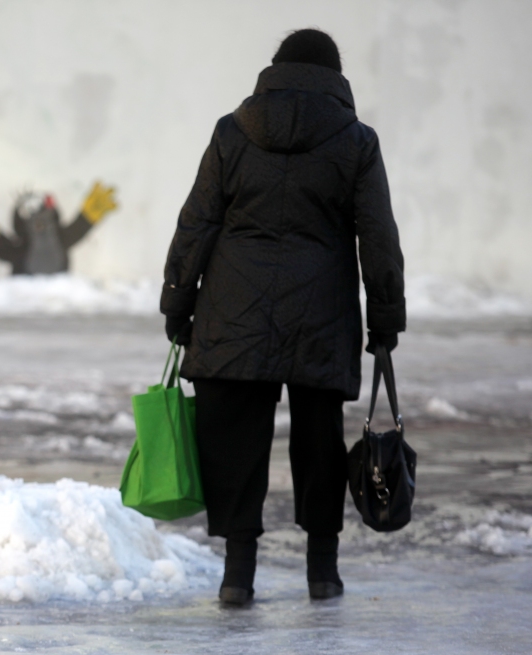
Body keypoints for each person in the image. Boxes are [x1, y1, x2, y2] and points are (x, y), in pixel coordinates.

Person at [160, 28, 405, 604]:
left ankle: (236, 575)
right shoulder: (357, 141)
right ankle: (323, 571)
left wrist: (178, 301)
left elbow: (196, 222)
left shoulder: (232, 131)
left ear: (274, 70)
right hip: (321, 313)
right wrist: (385, 319)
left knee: (235, 440)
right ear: (335, 77)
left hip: (233, 307)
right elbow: (378, 237)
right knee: (320, 441)